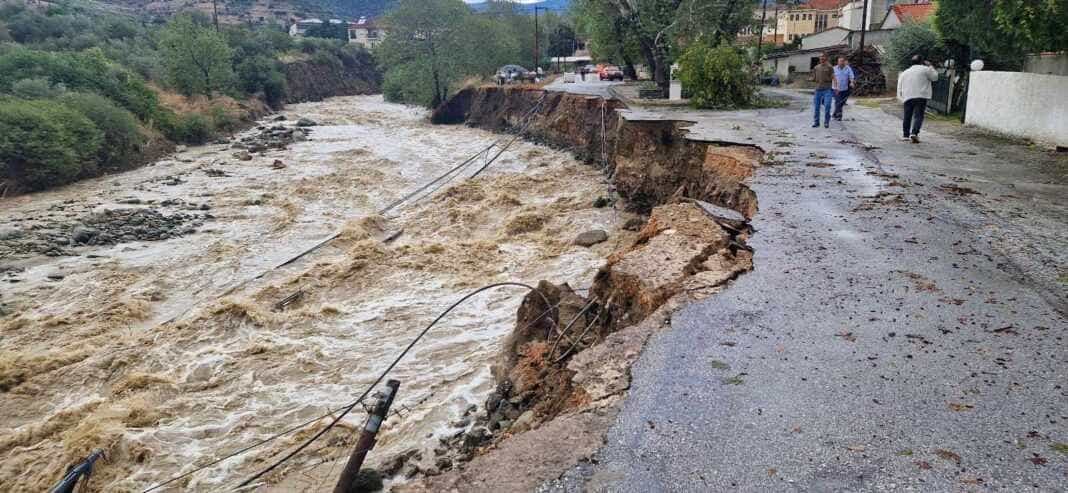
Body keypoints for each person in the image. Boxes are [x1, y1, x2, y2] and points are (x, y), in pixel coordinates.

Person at [897, 55, 939, 143]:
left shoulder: (905, 72)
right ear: (922, 61)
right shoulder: (925, 69)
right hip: (921, 96)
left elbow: (900, 85)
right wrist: (931, 66)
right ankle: (914, 133)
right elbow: (935, 78)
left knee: (907, 116)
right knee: (918, 116)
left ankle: (905, 135)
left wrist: (901, 96)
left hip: (907, 96)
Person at [811, 53, 834, 128]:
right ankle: (816, 122)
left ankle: (826, 122)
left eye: (823, 57)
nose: (822, 58)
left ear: (826, 58)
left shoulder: (830, 67)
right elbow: (814, 78)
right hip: (818, 90)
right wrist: (810, 79)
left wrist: (835, 87)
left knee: (827, 105)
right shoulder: (816, 68)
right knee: (817, 107)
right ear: (819, 58)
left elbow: (833, 77)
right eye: (820, 57)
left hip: (827, 90)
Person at [832, 56, 855, 120]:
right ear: (837, 62)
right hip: (835, 88)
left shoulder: (848, 68)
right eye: (839, 61)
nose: (841, 62)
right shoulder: (834, 69)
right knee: (838, 101)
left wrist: (852, 82)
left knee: (841, 102)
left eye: (842, 61)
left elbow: (851, 76)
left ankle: (834, 113)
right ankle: (839, 116)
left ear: (844, 62)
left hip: (844, 89)